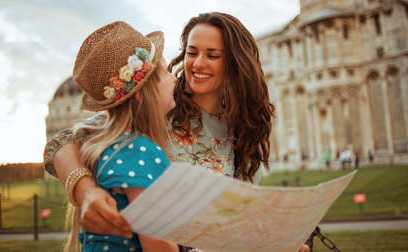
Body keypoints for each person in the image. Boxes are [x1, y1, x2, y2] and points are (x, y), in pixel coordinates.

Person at [44, 13, 309, 252]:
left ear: (236, 65)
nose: (197, 64)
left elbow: (240, 224)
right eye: (192, 52)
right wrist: (86, 191)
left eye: (212, 55)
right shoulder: (155, 107)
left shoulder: (242, 134)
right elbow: (60, 143)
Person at [62, 21, 178, 251]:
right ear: (141, 94)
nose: (174, 78)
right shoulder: (141, 151)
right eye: (165, 72)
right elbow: (160, 246)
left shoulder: (108, 148)